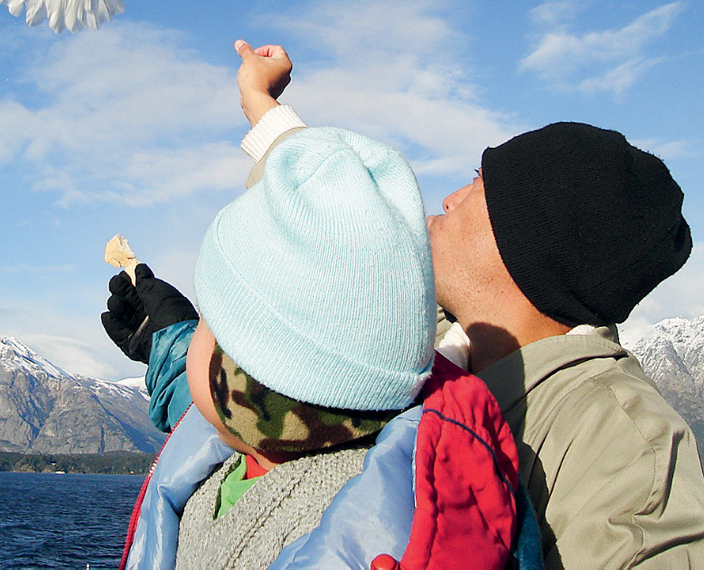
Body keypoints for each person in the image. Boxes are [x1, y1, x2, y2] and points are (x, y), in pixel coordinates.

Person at [217, 38, 704, 568]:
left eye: (479, 182)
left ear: (529, 240)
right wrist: (260, 105)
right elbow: (335, 232)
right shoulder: (421, 343)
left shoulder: (624, 444)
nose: (449, 198)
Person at [105, 125, 540, 569]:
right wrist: (170, 344)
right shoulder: (296, 456)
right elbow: (229, 406)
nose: (198, 330)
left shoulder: (308, 524)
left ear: (246, 380)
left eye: (208, 322)